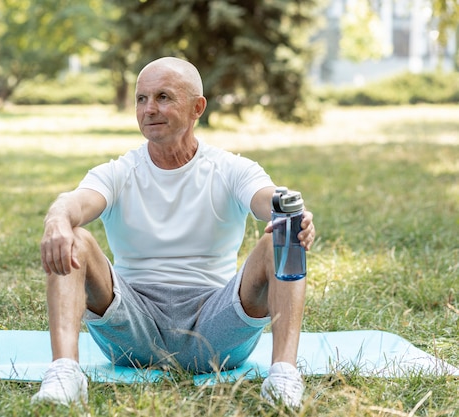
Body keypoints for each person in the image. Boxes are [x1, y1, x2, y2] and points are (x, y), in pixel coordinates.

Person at [31, 57, 316, 409]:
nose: (149, 109)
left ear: (197, 107)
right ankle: (64, 374)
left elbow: (265, 198)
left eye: (163, 97)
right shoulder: (119, 171)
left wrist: (290, 212)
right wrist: (57, 220)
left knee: (282, 234)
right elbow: (74, 202)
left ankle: (283, 377)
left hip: (216, 328)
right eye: (141, 99)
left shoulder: (230, 168)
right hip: (132, 327)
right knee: (73, 236)